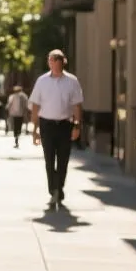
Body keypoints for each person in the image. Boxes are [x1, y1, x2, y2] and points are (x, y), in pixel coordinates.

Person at [29, 49, 84, 207]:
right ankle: (53, 190)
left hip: (65, 125)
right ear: (49, 62)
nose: (54, 62)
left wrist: (77, 126)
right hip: (47, 125)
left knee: (63, 160)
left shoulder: (72, 81)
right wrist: (35, 129)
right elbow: (35, 105)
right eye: (51, 59)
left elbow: (76, 105)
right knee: (49, 159)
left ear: (62, 62)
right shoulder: (42, 81)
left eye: (57, 59)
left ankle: (58, 188)